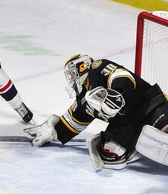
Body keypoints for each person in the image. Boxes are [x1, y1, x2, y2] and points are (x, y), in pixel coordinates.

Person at [24, 54, 168, 169]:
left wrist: (116, 93)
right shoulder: (83, 99)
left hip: (149, 105)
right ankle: (136, 144)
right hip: (126, 123)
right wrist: (54, 132)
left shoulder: (97, 68)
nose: (72, 78)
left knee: (165, 129)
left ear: (83, 66)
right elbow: (73, 122)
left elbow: (123, 76)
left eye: (73, 73)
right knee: (110, 154)